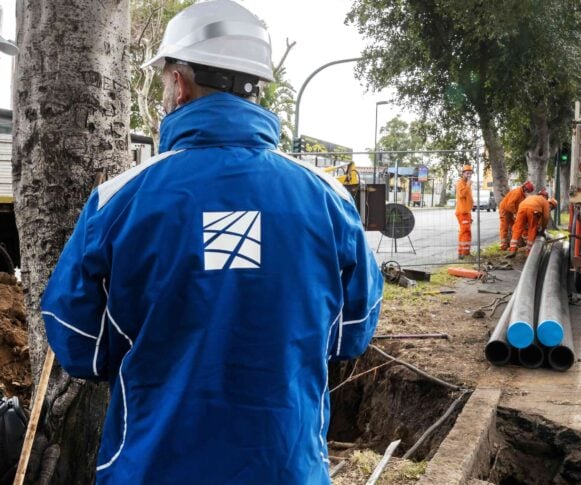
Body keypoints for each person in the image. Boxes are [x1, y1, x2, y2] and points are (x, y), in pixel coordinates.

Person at [39, 1, 383, 482]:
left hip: (152, 467)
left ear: (179, 82)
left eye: (163, 79)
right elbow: (352, 334)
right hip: (286, 468)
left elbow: (78, 345)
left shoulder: (118, 200)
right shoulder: (329, 199)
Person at [509, 189, 554, 254]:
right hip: (533, 210)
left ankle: (512, 249)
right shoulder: (545, 202)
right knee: (532, 229)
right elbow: (545, 218)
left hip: (521, 208)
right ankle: (529, 251)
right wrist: (543, 230)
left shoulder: (531, 197)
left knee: (517, 227)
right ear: (546, 197)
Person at [497, 181, 535, 250]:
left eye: (528, 191)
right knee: (504, 226)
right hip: (505, 209)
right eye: (527, 190)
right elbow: (509, 205)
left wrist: (518, 214)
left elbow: (519, 206)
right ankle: (503, 245)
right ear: (524, 187)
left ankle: (516, 244)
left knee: (516, 226)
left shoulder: (522, 195)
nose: (527, 192)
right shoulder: (517, 192)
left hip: (511, 211)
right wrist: (515, 213)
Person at [455, 164, 474, 258]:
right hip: (462, 212)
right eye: (467, 173)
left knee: (467, 232)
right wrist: (468, 185)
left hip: (466, 212)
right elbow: (462, 194)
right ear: (463, 173)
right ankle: (462, 253)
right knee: (464, 232)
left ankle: (465, 252)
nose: (469, 175)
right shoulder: (460, 183)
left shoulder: (466, 184)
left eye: (470, 173)